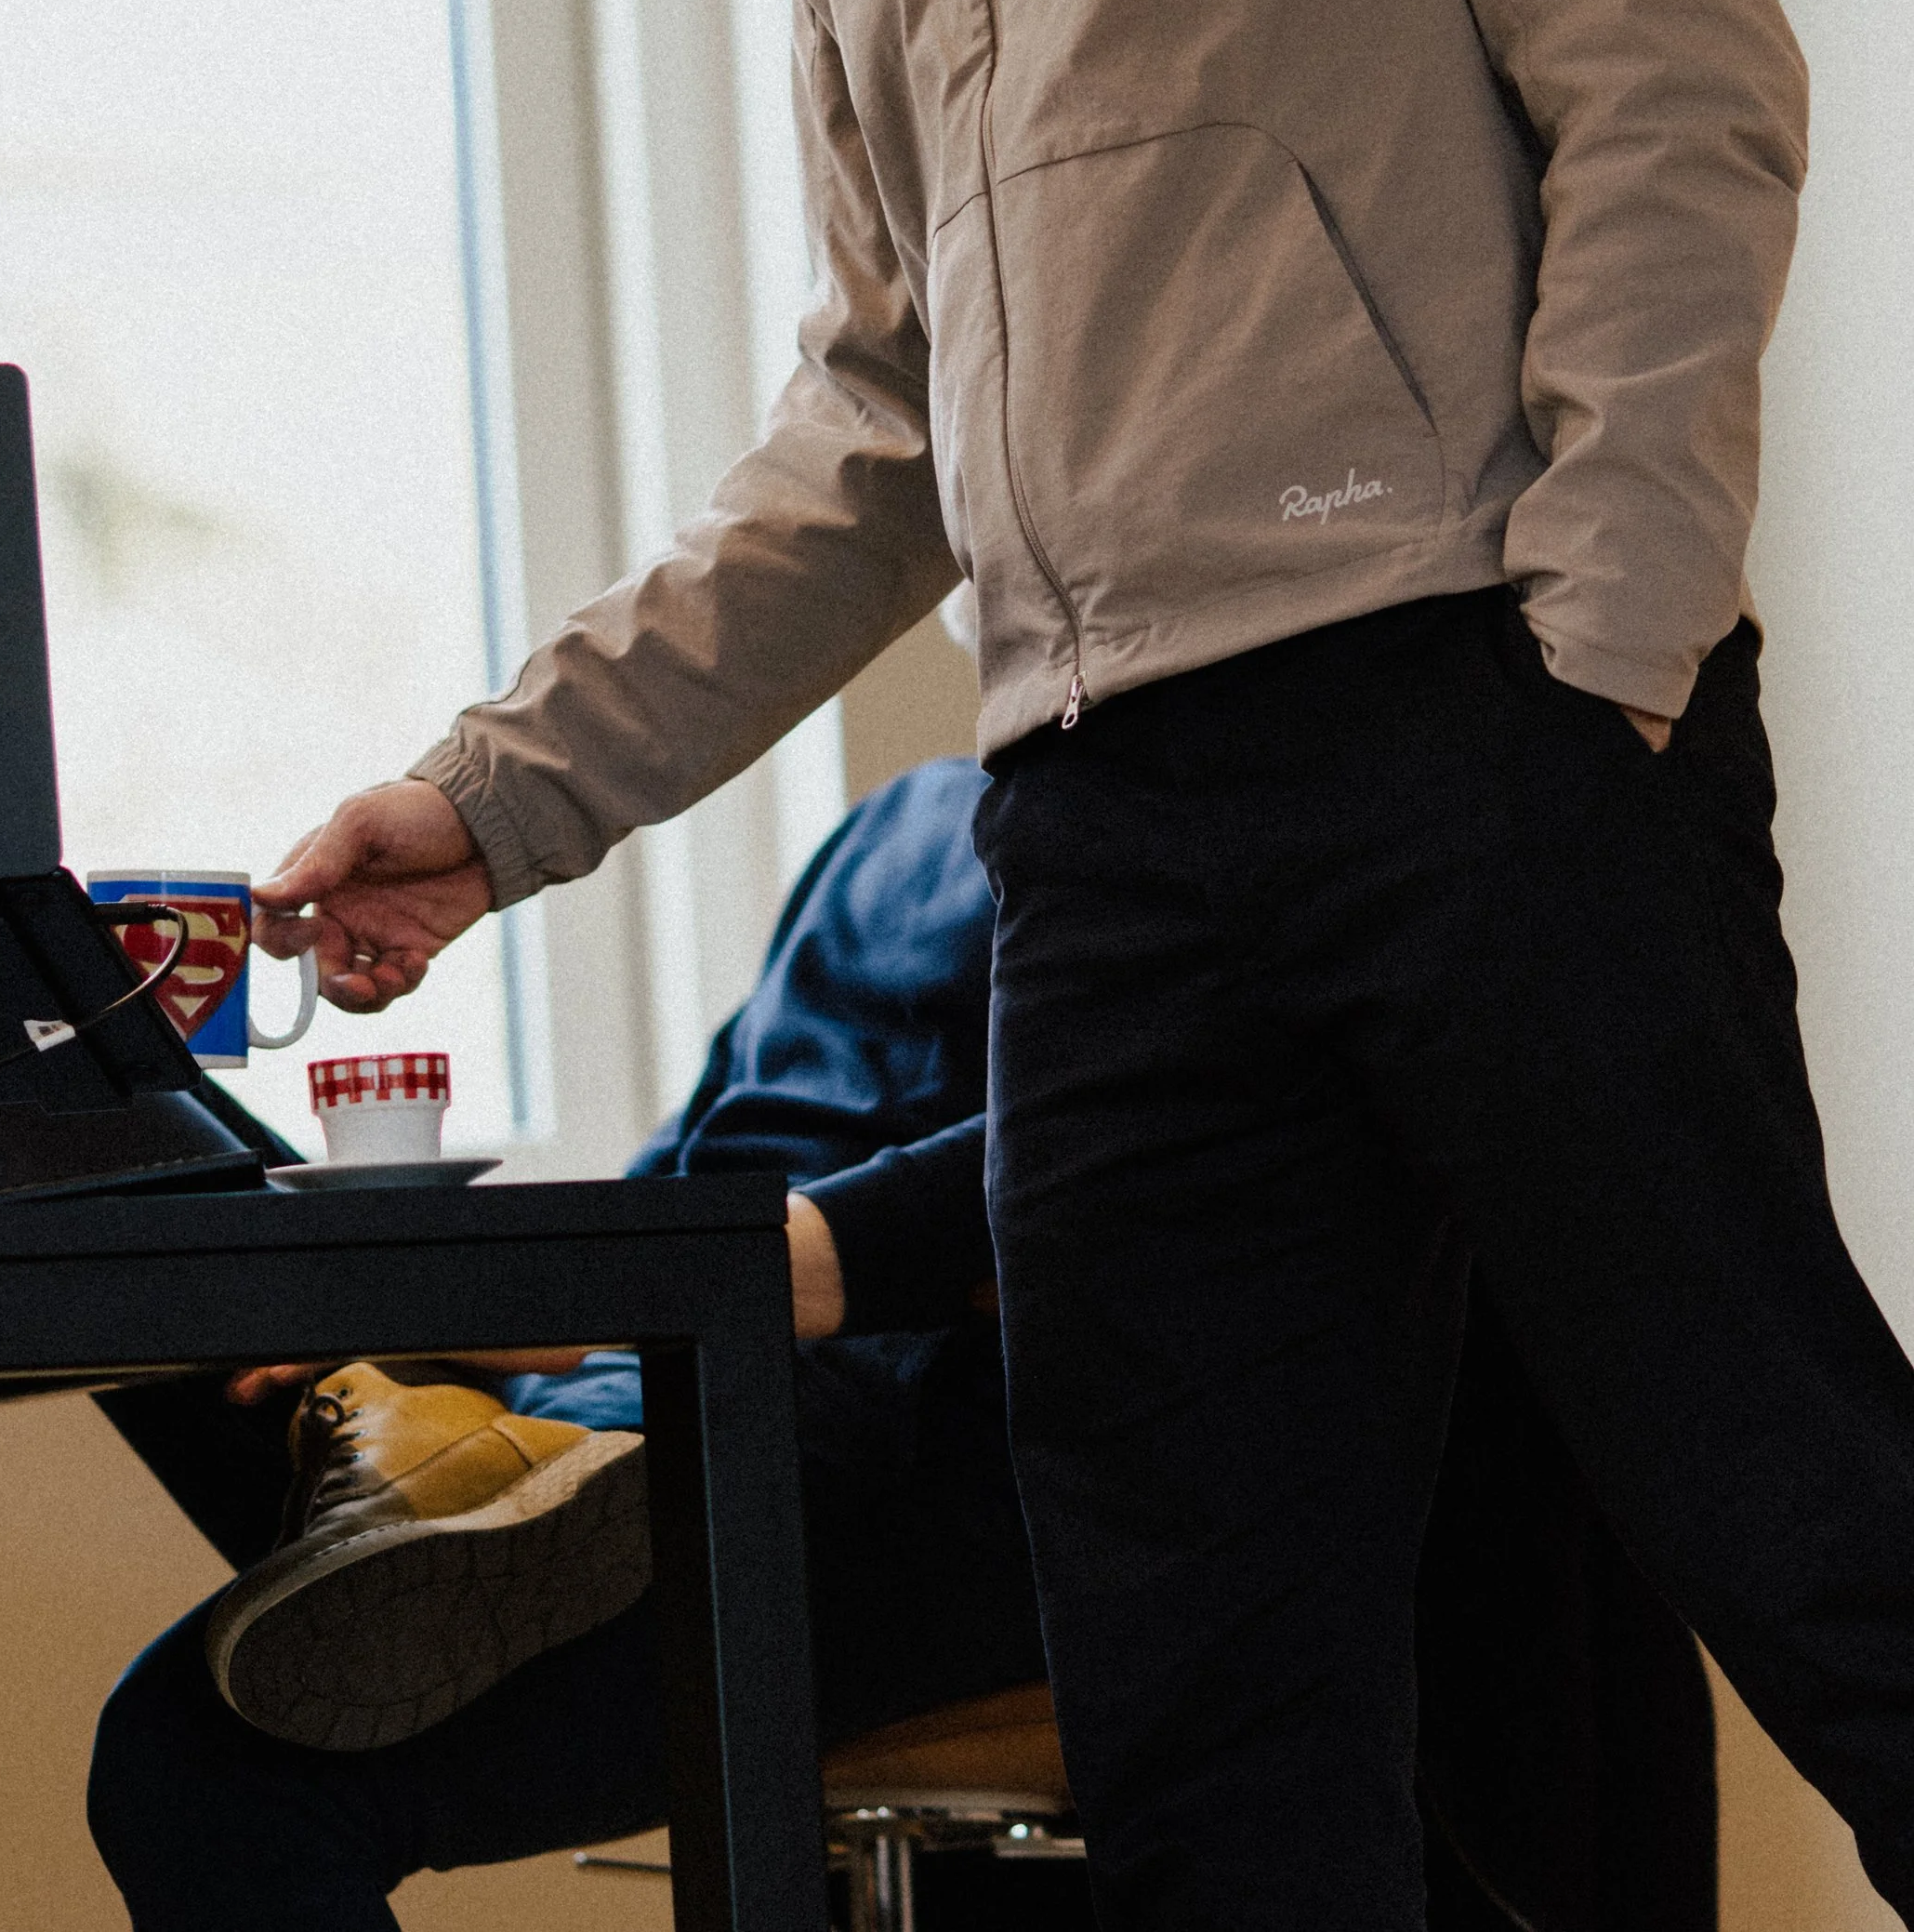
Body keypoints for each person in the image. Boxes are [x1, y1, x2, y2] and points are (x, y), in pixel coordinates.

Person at [246, 0, 1914, 1925]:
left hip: (1483, 737)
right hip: (1109, 855)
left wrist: (1604, 658)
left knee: (1813, 1534)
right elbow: (873, 418)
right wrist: (502, 796)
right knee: (1216, 1737)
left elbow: (1679, 85)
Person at [89, 757, 1718, 1932]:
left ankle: (568, 1466)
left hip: (959, 1456)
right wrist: (441, 1319)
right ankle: (513, 1457)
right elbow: (712, 1160)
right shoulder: (898, 825)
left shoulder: (1214, 839)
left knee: (198, 1759)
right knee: (294, 1601)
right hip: (731, 1369)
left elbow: (1134, 1206)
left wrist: (616, 1304)